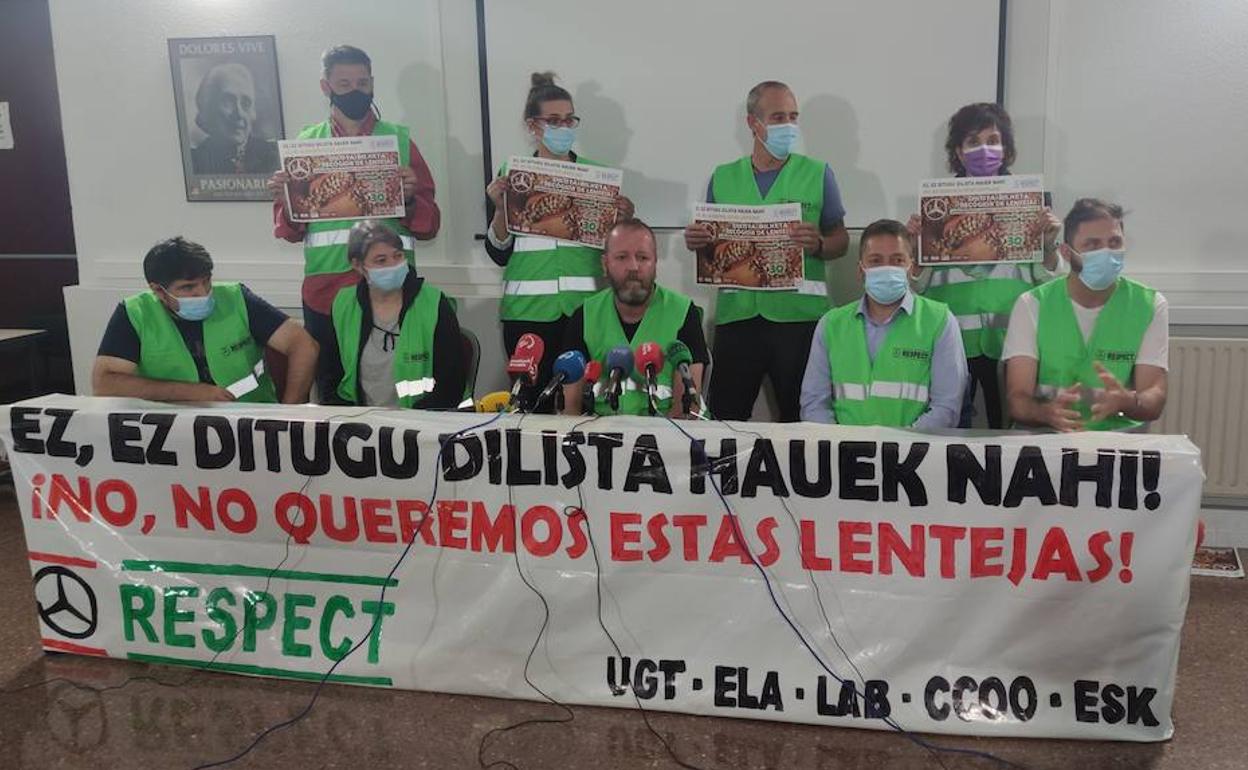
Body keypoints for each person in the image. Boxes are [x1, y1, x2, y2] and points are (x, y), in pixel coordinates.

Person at [267, 45, 441, 400]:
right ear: (325, 86)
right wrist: (285, 198)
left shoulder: (399, 140)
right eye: (344, 83)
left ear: (373, 82)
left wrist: (409, 199)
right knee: (331, 385)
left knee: (399, 382)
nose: (355, 91)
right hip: (326, 292)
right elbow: (288, 231)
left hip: (389, 288)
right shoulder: (305, 146)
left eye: (363, 82)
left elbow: (429, 225)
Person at [684, 80, 849, 422]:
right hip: (737, 319)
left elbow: (841, 241)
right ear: (752, 123)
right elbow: (711, 244)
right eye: (777, 117)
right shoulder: (723, 177)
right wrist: (697, 241)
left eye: (793, 116)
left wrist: (818, 243)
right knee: (726, 421)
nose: (788, 126)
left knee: (803, 421)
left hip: (799, 320)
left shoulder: (818, 174)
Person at [484, 72, 634, 410]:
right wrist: (499, 209)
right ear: (532, 126)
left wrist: (623, 222)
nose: (563, 127)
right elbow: (498, 252)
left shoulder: (597, 177)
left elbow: (616, 254)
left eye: (569, 119)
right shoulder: (512, 174)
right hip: (526, 314)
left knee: (585, 408)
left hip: (586, 311)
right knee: (532, 408)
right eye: (554, 120)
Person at [909, 103, 1061, 428]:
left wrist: (1049, 244)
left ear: (1006, 149)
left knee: (1007, 429)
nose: (984, 150)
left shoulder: (1031, 201)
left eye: (993, 140)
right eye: (973, 141)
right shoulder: (938, 204)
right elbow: (919, 285)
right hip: (953, 335)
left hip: (1009, 335)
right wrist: (916, 247)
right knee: (950, 424)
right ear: (959, 153)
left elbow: (1046, 279)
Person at [1004, 199, 1168, 432]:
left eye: (1114, 242)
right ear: (1066, 252)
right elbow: (1017, 399)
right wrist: (1044, 413)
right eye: (1092, 245)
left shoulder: (1149, 305)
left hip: (1118, 442)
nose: (1107, 253)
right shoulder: (1032, 304)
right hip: (1047, 439)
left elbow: (1155, 398)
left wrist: (1127, 402)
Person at [93, 237, 317, 403]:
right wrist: (192, 393)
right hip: (173, 428)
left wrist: (290, 412)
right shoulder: (134, 313)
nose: (202, 293)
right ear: (158, 291)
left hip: (250, 420)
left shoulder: (235, 297)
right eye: (188, 287)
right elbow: (105, 383)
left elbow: (303, 345)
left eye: (206, 281)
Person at [800, 219, 967, 428]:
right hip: (842, 454)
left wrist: (898, 448)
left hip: (914, 455)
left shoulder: (940, 320)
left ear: (910, 266)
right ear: (861, 270)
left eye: (897, 260)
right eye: (876, 260)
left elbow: (947, 408)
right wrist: (840, 446)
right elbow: (813, 404)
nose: (886, 268)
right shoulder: (831, 324)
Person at [562, 219, 708, 417]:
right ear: (605, 264)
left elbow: (687, 410)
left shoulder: (683, 313)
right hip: (601, 438)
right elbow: (570, 409)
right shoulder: (584, 316)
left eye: (643, 257)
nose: (633, 267)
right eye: (622, 257)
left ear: (655, 263)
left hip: (667, 437)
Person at [329, 220, 466, 409]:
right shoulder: (344, 304)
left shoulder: (434, 303)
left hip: (425, 422)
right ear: (358, 265)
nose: (393, 265)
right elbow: (332, 376)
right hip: (361, 423)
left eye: (398, 256)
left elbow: (451, 383)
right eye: (381, 260)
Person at [190, 62, 279, 175]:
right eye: (228, 102)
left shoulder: (273, 155)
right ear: (208, 108)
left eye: (246, 103)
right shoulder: (196, 162)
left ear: (253, 112)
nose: (239, 114)